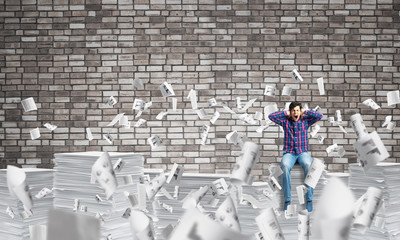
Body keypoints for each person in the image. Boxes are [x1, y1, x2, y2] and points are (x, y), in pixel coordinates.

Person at [268, 101, 323, 212]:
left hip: (303, 152)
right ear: (291, 112)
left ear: (300, 111)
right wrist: (285, 112)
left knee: (308, 165)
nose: (295, 112)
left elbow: (319, 116)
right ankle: (287, 201)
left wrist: (305, 111)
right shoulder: (285, 122)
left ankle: (309, 200)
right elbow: (271, 116)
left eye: (297, 110)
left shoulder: (305, 121)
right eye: (293, 111)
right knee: (285, 166)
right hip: (289, 153)